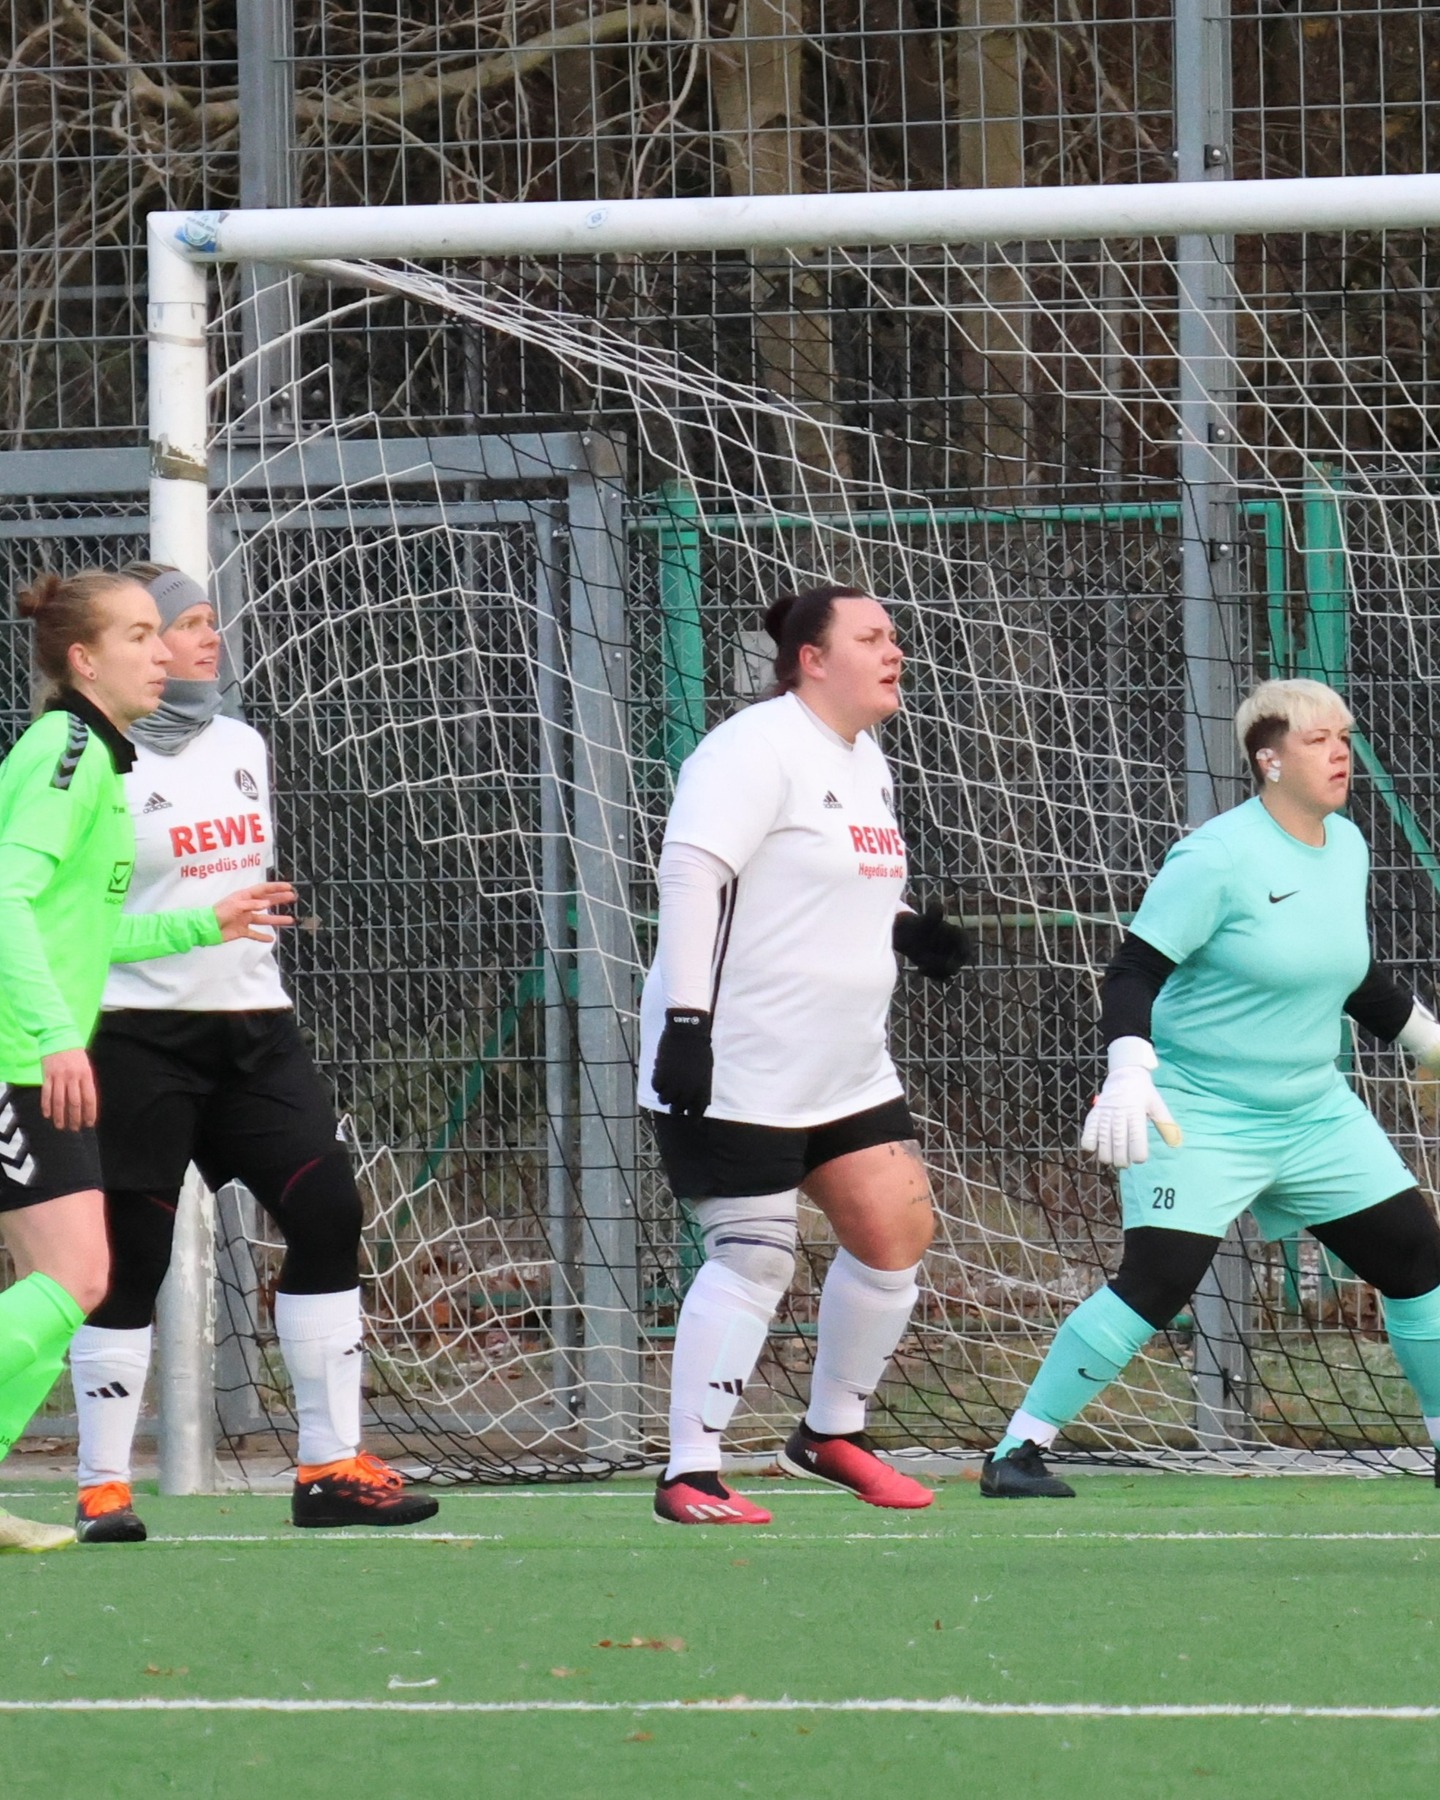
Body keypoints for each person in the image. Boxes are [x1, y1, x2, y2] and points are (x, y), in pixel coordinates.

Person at [981, 676, 1440, 1497]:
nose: (1339, 752)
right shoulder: (1216, 857)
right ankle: (1017, 1450)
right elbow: (1134, 969)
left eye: (1343, 736)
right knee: (1157, 1284)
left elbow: (1350, 973)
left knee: (1416, 1256)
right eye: (1316, 739)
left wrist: (1427, 1039)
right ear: (1268, 760)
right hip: (1198, 1107)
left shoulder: (1348, 846)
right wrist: (1128, 1066)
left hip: (1311, 1109)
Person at [69, 565, 440, 1542]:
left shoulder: (241, 742)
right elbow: (61, 923)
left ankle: (328, 1468)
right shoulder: (81, 762)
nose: (202, 641)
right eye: (180, 625)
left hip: (256, 1032)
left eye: (203, 623)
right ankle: (103, 1483)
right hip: (136, 1040)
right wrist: (191, 923)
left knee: (327, 1210)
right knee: (133, 1258)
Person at [639, 584, 971, 1526]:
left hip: (843, 1065)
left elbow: (818, 888)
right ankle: (690, 1472)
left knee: (897, 1230)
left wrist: (908, 932)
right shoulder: (753, 748)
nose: (893, 650)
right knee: (754, 1257)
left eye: (895, 635)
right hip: (739, 1060)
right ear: (812, 661)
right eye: (871, 637)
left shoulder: (864, 758)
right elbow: (695, 874)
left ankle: (831, 1432)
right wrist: (689, 1027)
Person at [0, 568, 291, 1551]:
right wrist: (48, 1040)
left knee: (71, 1280)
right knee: (80, 1275)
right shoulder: (66, 756)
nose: (163, 652)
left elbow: (79, 929)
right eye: (138, 636)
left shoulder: (98, 759)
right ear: (84, 661)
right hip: (15, 1055)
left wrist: (201, 923)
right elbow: (4, 900)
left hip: (33, 1048)